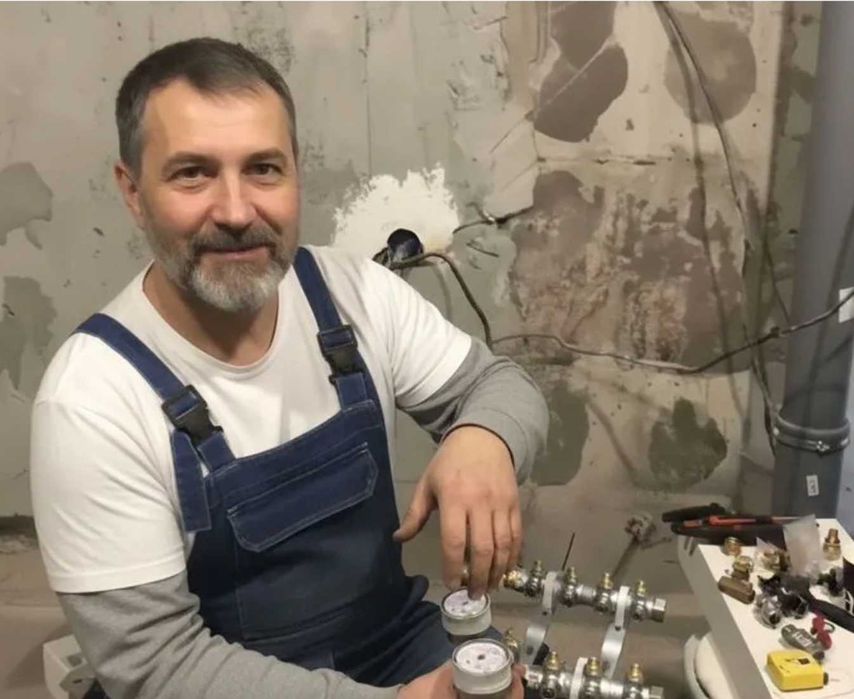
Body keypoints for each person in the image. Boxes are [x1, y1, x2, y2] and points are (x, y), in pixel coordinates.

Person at [30, 37, 548, 699]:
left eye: (264, 169)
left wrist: (485, 437)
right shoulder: (91, 398)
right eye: (193, 173)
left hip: (390, 641)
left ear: (297, 171)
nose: (236, 211)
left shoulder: (355, 294)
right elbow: (155, 666)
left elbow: (500, 384)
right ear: (133, 191)